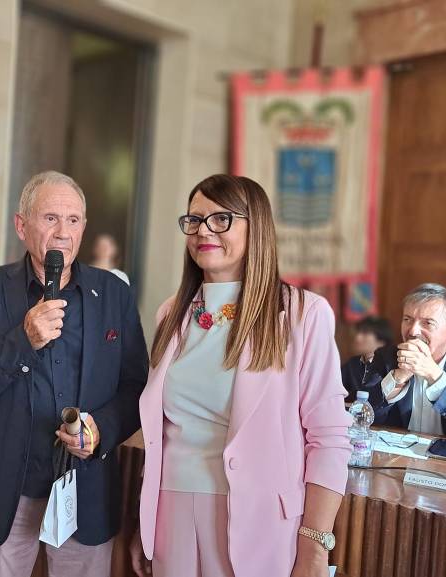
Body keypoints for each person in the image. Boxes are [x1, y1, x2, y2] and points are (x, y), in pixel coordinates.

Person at [130, 174, 351, 577]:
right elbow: (162, 433)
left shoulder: (302, 314)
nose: (204, 231)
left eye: (221, 219)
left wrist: (315, 546)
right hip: (171, 513)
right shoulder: (171, 313)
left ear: (256, 227)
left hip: (259, 518)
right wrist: (143, 522)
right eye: (195, 220)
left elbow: (329, 438)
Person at [0, 170, 148, 577]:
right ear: (22, 226)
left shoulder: (113, 295)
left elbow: (135, 385)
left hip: (84, 489)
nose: (62, 233)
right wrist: (22, 341)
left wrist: (100, 430)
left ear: (84, 227)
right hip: (6, 490)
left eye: (73, 220)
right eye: (50, 218)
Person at [356, 284, 446, 443]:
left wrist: (434, 375)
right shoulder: (386, 357)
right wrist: (397, 379)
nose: (413, 331)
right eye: (407, 319)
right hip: (394, 452)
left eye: (428, 323)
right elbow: (361, 417)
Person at [341, 316, 394, 401]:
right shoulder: (351, 364)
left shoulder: (390, 366)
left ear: (381, 340)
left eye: (365, 333)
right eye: (358, 332)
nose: (357, 338)